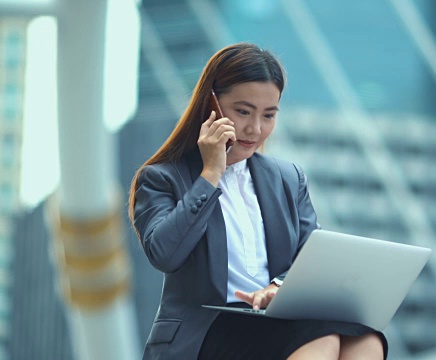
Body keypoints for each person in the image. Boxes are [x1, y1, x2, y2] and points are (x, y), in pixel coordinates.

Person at [128, 43, 387, 359]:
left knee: (367, 341)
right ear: (211, 104)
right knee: (322, 340)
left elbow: (308, 261)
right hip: (205, 331)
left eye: (269, 115)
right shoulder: (162, 177)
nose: (255, 129)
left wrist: (277, 287)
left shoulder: (287, 178)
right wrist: (210, 173)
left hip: (272, 320)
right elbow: (165, 254)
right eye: (243, 111)